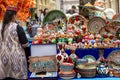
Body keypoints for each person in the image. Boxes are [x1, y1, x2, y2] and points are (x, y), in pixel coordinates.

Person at [0, 6, 28, 79]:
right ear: (13, 16)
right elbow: (25, 44)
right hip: (16, 61)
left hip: (3, 62)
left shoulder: (0, 26)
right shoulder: (17, 27)